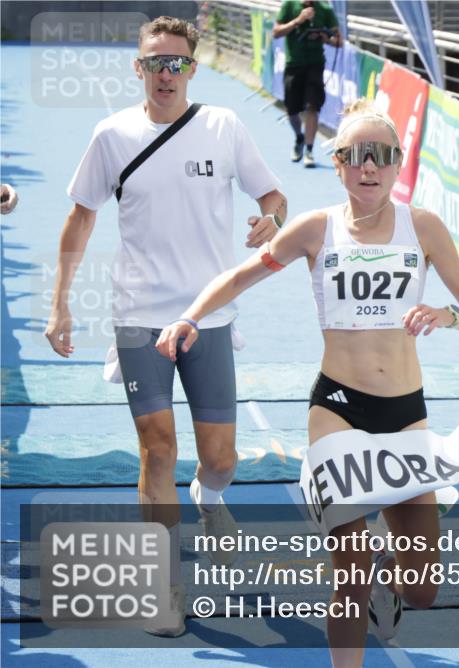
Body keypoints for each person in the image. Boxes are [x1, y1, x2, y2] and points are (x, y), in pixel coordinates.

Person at [156, 99, 459, 667]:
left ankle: (391, 578)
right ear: (338, 164)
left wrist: (447, 314)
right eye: (356, 155)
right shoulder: (316, 228)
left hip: (405, 416)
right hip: (337, 410)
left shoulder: (424, 227)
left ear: (398, 163)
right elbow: (240, 277)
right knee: (350, 573)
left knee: (422, 589)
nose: (369, 167)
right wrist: (190, 317)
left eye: (381, 155)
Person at [44, 16, 286, 637]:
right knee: (157, 448)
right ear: (139, 68)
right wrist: (61, 303)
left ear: (192, 69)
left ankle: (210, 497)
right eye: (155, 62)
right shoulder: (111, 135)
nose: (166, 74)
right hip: (137, 316)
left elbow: (272, 195)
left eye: (176, 63)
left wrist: (273, 220)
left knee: (220, 458)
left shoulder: (224, 127)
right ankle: (162, 582)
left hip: (206, 315)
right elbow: (80, 219)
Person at [273, 0, 341, 168]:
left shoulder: (324, 9)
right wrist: (298, 21)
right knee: (292, 110)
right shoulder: (289, 5)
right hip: (293, 65)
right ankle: (299, 138)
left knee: (312, 107)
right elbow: (276, 32)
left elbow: (339, 41)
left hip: (315, 65)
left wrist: (325, 38)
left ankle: (309, 150)